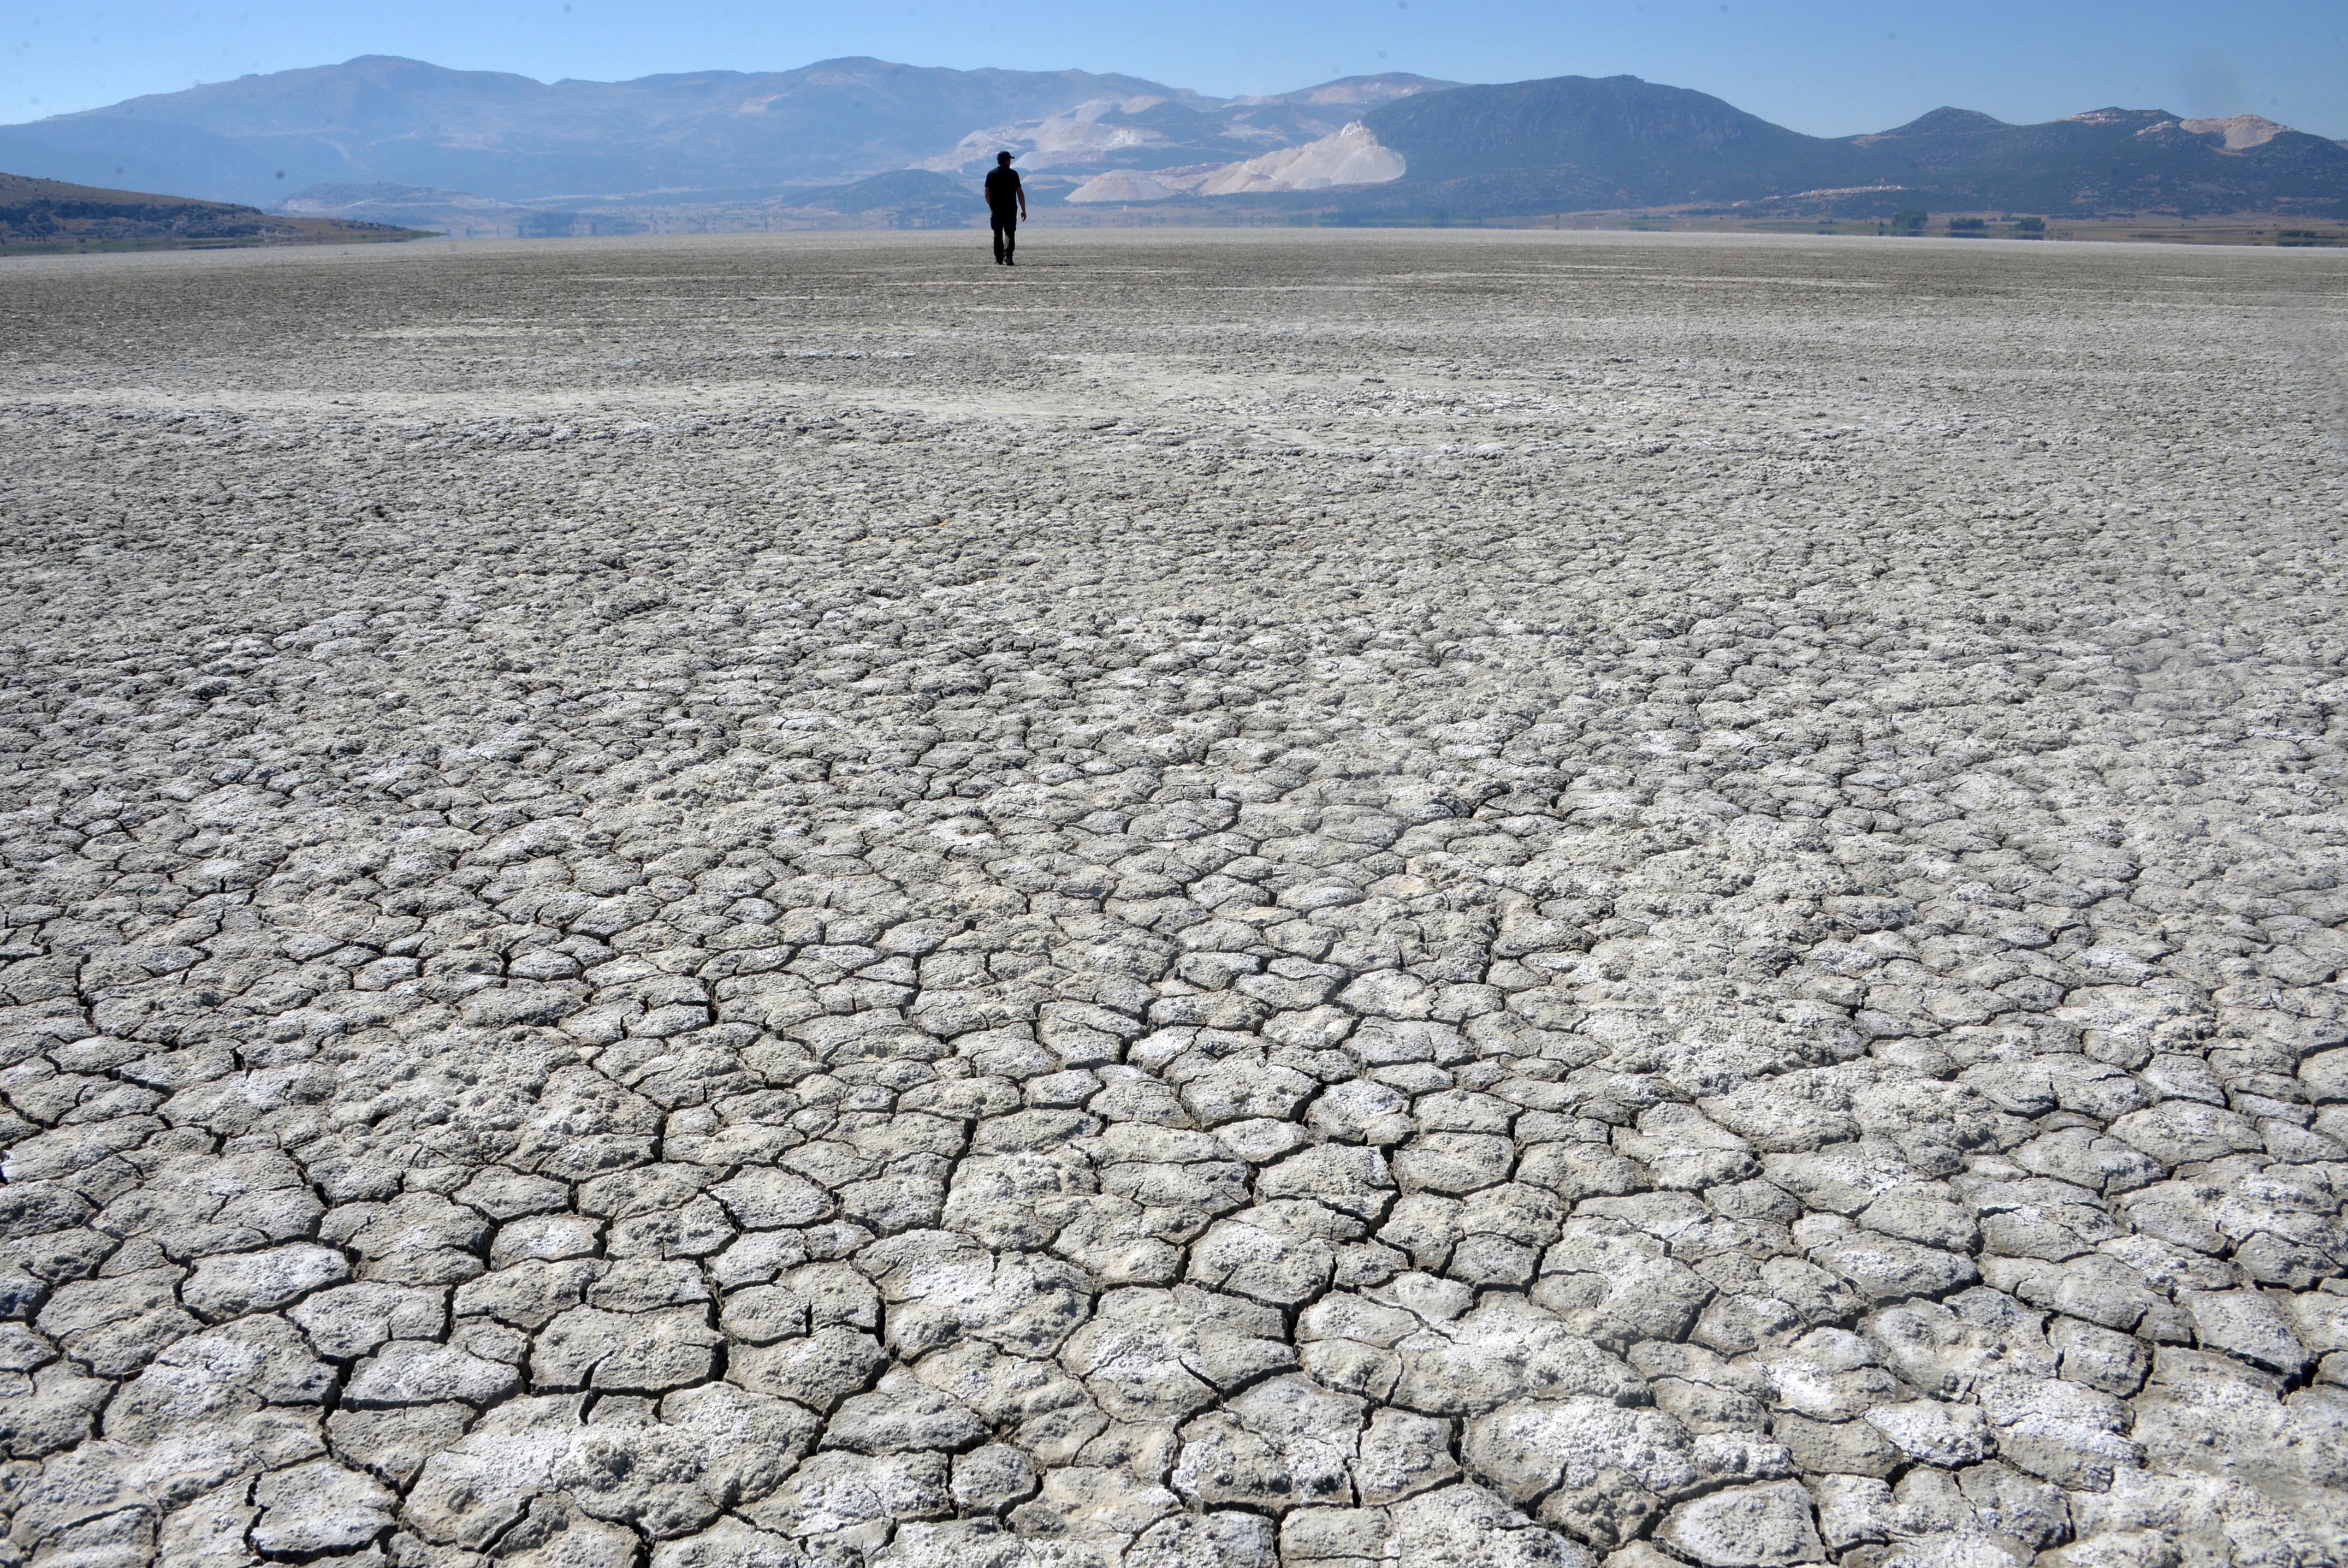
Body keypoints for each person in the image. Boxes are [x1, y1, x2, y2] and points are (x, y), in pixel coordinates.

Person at [984, 151, 1026, 266]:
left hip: (996, 210)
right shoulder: (1013, 174)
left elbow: (986, 193)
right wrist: (1023, 209)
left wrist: (991, 206)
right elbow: (1020, 193)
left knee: (997, 234)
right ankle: (1008, 256)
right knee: (1010, 233)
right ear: (1007, 161)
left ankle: (999, 259)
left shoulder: (991, 174)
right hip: (1010, 209)